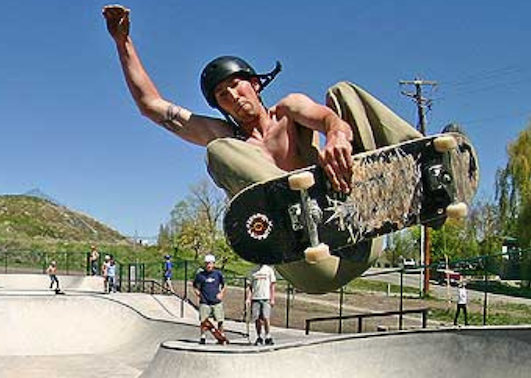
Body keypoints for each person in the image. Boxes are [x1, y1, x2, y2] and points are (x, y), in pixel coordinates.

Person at [102, 5, 424, 293]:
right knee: (220, 150)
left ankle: (426, 173)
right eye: (223, 96)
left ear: (254, 83)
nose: (234, 96)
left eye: (236, 85)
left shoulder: (289, 110)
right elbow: (152, 106)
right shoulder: (231, 139)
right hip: (311, 262)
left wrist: (338, 135)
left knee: (343, 93)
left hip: (361, 236)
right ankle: (301, 209)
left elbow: (326, 118)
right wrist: (123, 43)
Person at [193, 254, 226, 343]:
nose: (209, 265)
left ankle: (221, 335)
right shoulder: (200, 275)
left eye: (210, 263)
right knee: (204, 321)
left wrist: (221, 293)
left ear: (213, 264)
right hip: (204, 301)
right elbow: (195, 286)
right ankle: (203, 336)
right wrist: (198, 294)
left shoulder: (218, 274)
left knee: (220, 320)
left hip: (216, 301)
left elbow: (224, 285)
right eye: (207, 263)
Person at [246, 263, 277, 345]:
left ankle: (268, 336)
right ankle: (259, 336)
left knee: (266, 317)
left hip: (266, 298)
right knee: (257, 319)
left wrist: (272, 298)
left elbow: (272, 285)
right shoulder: (253, 271)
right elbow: (249, 286)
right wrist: (248, 298)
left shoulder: (269, 270)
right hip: (256, 298)